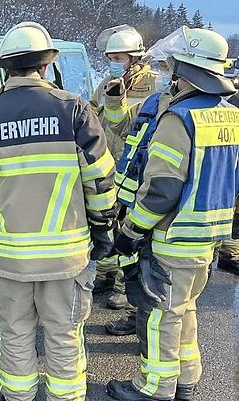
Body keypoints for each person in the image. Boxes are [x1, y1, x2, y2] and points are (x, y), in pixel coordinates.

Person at [0, 21, 116, 401]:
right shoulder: (74, 111)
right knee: (64, 332)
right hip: (65, 256)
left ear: (5, 68)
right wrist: (103, 229)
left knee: (15, 331)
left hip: (8, 257)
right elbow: (101, 182)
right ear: (45, 66)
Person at [107, 27, 238, 401]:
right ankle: (186, 378)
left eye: (174, 67)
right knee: (184, 308)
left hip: (172, 236)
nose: (169, 73)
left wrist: (132, 230)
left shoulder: (178, 119)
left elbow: (162, 188)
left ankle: (154, 387)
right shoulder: (229, 115)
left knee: (160, 315)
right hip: (206, 236)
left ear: (186, 70)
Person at [106, 39, 178, 336]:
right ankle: (137, 314)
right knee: (133, 256)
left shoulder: (183, 111)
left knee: (155, 269)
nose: (161, 75)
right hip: (133, 190)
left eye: (165, 68)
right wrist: (114, 99)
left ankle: (147, 322)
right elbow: (122, 126)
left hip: (158, 199)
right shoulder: (153, 102)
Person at [90, 25, 158, 311]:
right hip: (109, 163)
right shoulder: (107, 82)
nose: (113, 64)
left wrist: (117, 99)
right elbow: (92, 112)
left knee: (130, 226)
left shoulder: (153, 84)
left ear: (134, 58)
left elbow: (133, 125)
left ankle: (122, 286)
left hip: (136, 167)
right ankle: (104, 273)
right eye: (111, 58)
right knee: (108, 220)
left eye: (118, 58)